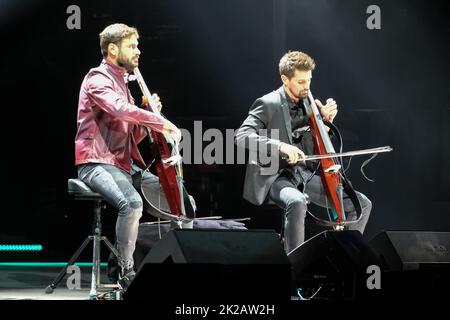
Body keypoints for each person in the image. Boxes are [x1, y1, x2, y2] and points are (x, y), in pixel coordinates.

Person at [74, 23, 182, 290]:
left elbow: (134, 136)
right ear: (112, 49)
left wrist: (147, 119)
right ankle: (126, 272)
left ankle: (172, 266)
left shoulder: (123, 84)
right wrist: (158, 121)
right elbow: (120, 110)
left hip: (124, 165)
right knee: (132, 204)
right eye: (132, 46)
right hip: (96, 162)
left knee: (180, 200)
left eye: (137, 45)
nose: (138, 51)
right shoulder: (97, 79)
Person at [235, 51, 372, 254]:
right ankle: (295, 265)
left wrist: (324, 124)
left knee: (362, 204)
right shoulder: (268, 103)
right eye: (300, 81)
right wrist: (280, 146)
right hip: (275, 176)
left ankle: (346, 256)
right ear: (285, 79)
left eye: (309, 80)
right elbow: (241, 135)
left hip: (304, 176)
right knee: (297, 202)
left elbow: (311, 139)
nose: (306, 86)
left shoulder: (310, 104)